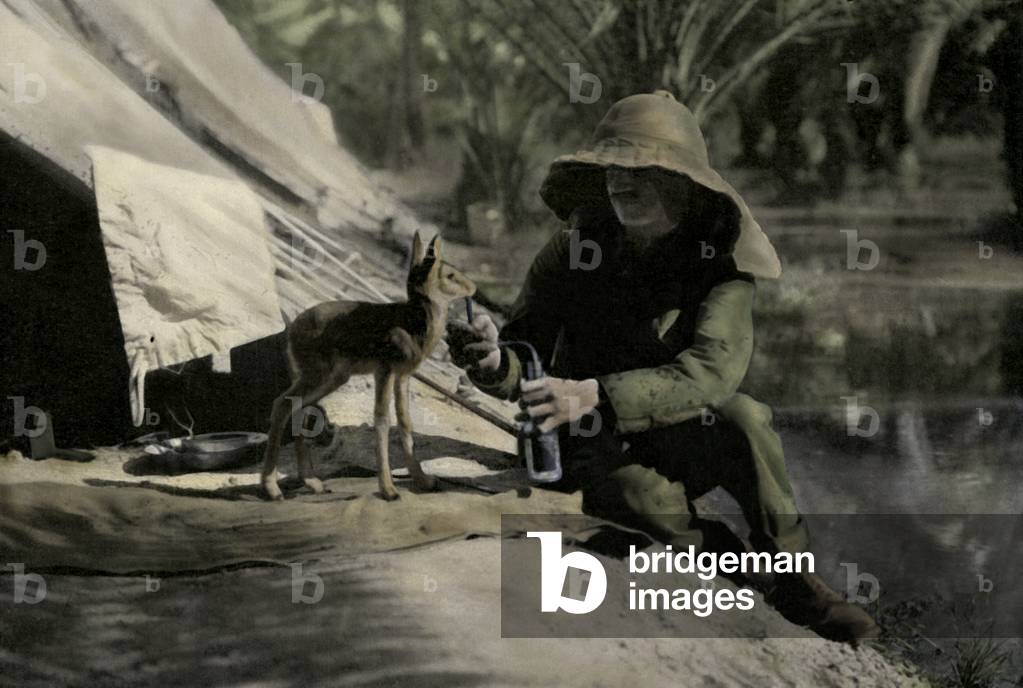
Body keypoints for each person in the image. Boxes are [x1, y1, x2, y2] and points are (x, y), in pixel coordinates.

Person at [447, 91, 878, 643]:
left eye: (643, 170)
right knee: (639, 507)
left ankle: (796, 583)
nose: (621, 184)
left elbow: (711, 373)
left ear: (685, 183)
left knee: (746, 419)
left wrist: (596, 391)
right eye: (612, 171)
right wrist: (491, 361)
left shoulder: (721, 267)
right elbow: (522, 359)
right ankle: (723, 555)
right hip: (586, 440)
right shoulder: (574, 248)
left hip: (675, 428)